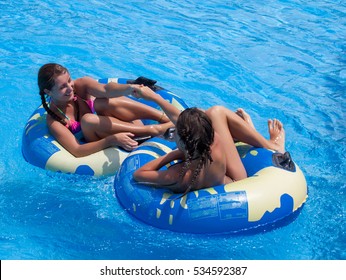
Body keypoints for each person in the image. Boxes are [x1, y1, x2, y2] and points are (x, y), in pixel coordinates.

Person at [133, 86, 285, 194]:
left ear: (185, 143)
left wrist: (173, 155)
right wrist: (155, 98)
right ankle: (253, 134)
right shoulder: (213, 141)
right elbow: (190, 123)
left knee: (214, 113)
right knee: (216, 112)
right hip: (232, 181)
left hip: (233, 181)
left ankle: (267, 143)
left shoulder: (177, 175)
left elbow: (138, 174)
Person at [38, 63, 173, 157]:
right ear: (48, 92)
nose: (70, 87)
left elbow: (106, 89)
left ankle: (165, 118)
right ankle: (152, 130)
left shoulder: (81, 85)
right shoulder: (54, 120)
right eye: (62, 87)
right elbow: (77, 150)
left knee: (102, 102)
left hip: (125, 127)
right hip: (102, 140)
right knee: (88, 120)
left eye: (69, 80)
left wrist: (131, 88)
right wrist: (111, 140)